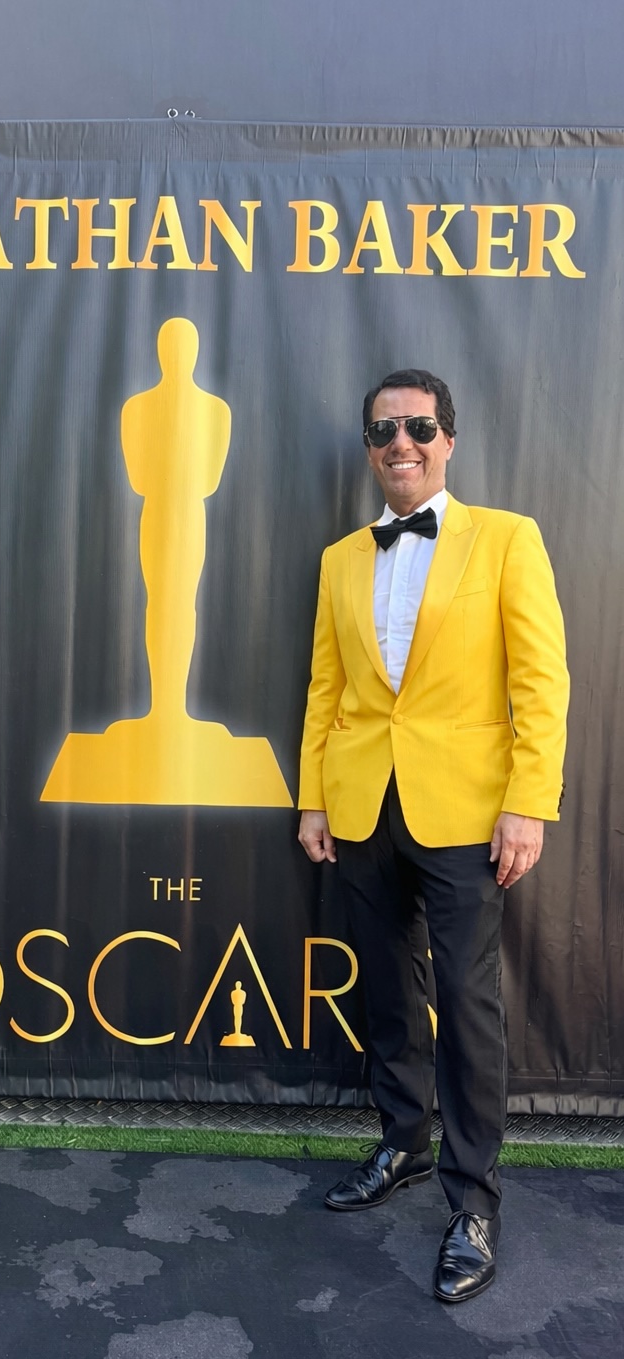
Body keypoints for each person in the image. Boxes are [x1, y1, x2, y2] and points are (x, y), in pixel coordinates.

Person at [297, 370, 568, 1303]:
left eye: (418, 427)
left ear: (447, 439)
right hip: (361, 805)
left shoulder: (506, 538)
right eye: (383, 431)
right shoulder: (340, 557)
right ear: (368, 448)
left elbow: (540, 681)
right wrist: (313, 797)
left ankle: (474, 1202)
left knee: (465, 999)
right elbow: (326, 687)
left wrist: (527, 801)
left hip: (464, 812)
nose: (400, 444)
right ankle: (403, 1142)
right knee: (386, 989)